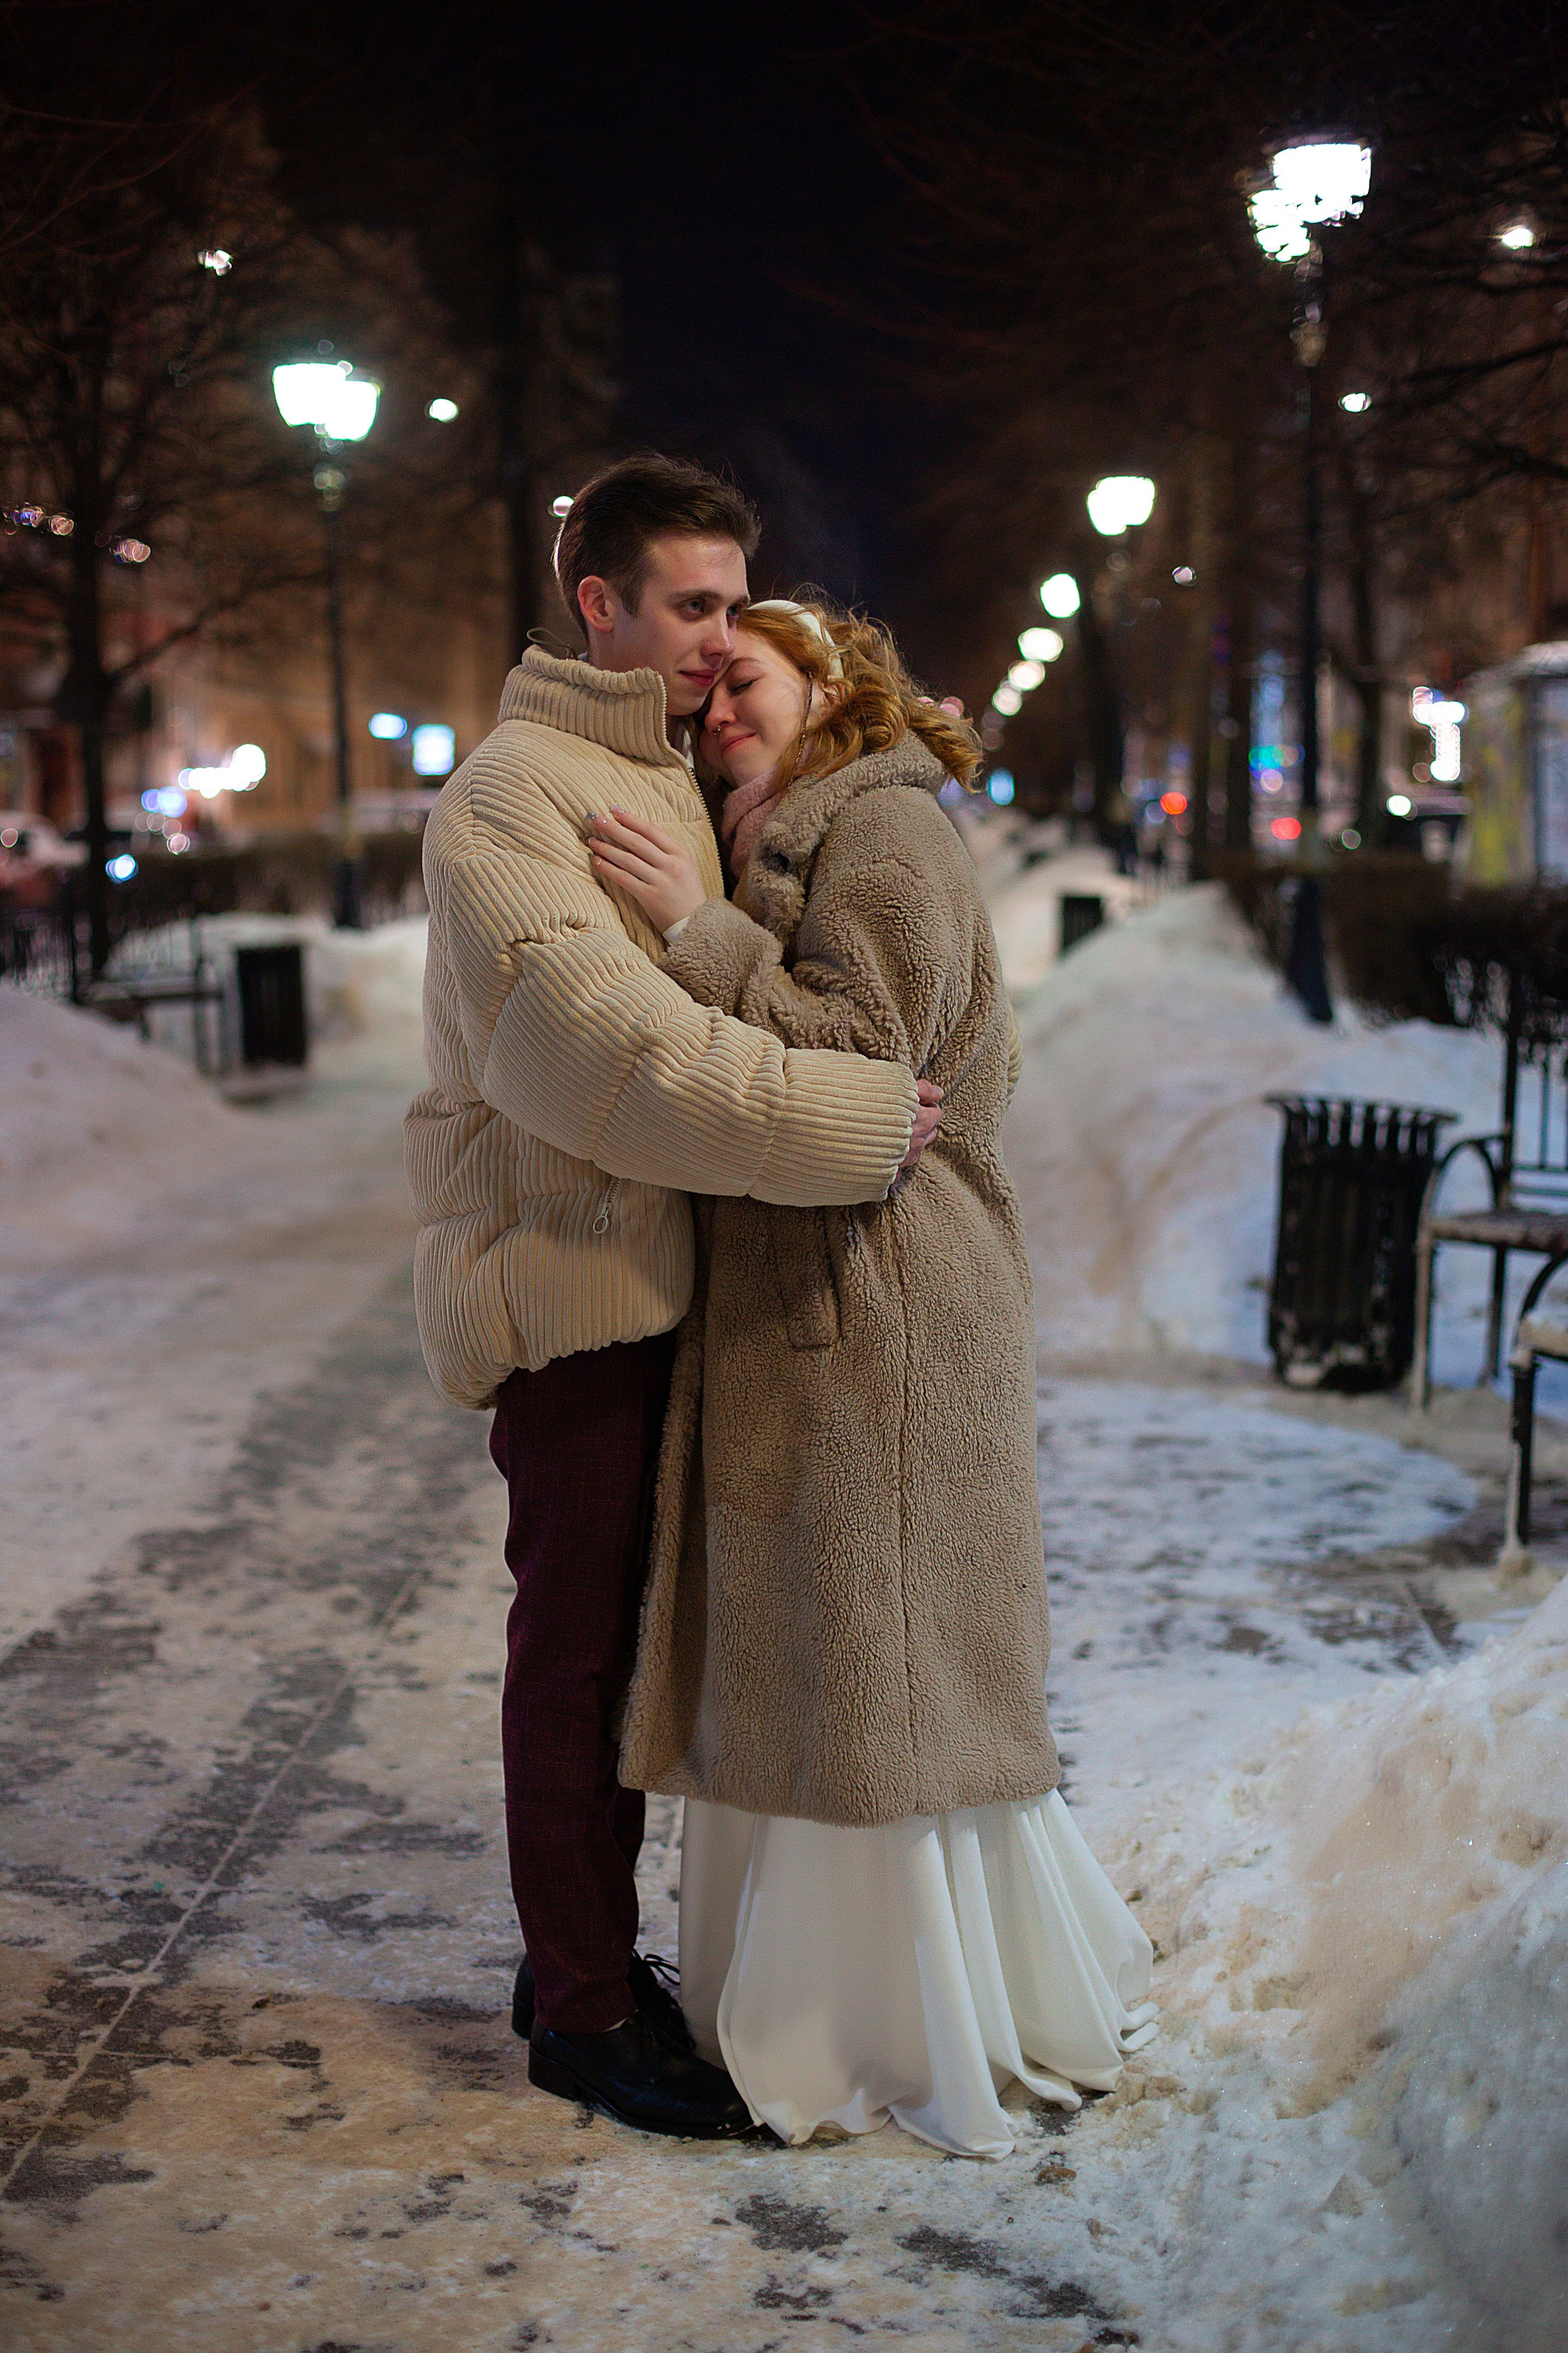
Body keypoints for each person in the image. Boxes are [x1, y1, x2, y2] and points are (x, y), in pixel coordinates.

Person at [405, 460, 945, 2140]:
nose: (721, 637)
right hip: (577, 1293)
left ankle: (574, 1954)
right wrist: (857, 1121)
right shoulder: (514, 796)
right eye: (693, 606)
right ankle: (581, 2011)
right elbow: (611, 1060)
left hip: (665, 1289)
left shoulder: (656, 772)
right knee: (575, 1661)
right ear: (602, 604)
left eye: (731, 603)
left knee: (630, 1661)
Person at [590, 597, 1157, 2157]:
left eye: (745, 682)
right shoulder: (796, 831)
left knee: (874, 1658)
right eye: (706, 694)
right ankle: (833, 1997)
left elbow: (865, 1060)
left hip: (889, 1296)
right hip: (828, 1291)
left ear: (827, 682)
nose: (717, 712)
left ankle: (887, 2020)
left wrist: (695, 933)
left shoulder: (883, 827)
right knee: (831, 1650)